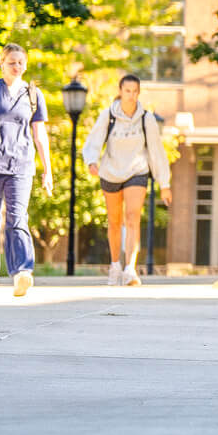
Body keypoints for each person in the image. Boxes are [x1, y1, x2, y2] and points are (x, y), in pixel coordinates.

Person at [0, 44, 55, 297]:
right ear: (2, 64)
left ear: (26, 65)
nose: (16, 66)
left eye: (20, 62)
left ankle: (21, 273)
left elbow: (40, 135)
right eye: (11, 62)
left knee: (18, 218)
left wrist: (47, 170)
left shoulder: (33, 94)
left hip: (21, 164)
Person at [82, 73, 172, 287]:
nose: (131, 95)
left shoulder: (146, 118)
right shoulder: (108, 115)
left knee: (132, 218)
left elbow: (156, 151)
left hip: (136, 171)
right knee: (114, 222)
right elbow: (94, 140)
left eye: (134, 91)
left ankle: (130, 269)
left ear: (139, 93)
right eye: (127, 91)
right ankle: (115, 266)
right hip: (111, 171)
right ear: (120, 91)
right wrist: (92, 161)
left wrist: (164, 183)